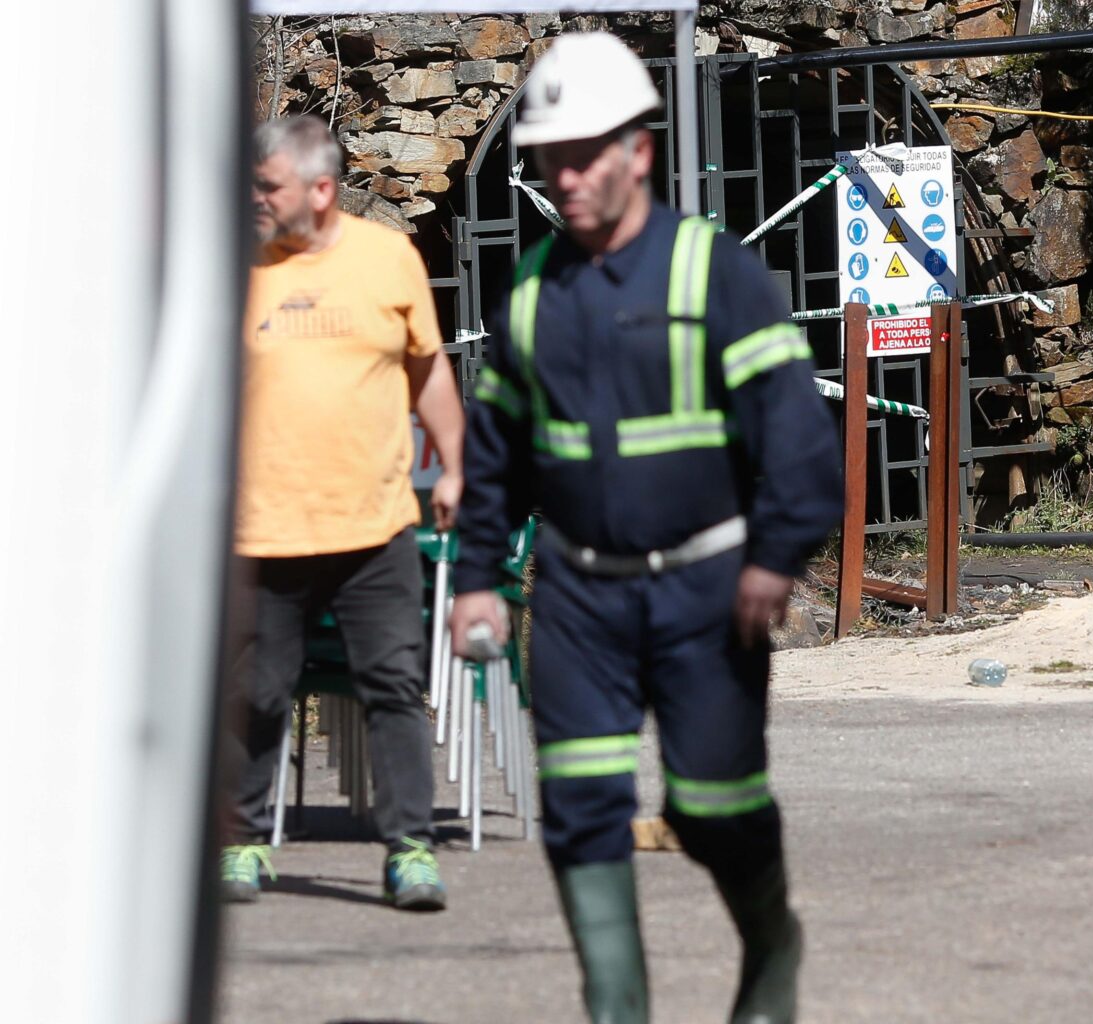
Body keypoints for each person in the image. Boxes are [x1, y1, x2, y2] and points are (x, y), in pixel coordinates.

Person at [447, 32, 842, 1024]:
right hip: (579, 596)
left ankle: (772, 945)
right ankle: (617, 1008)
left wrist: (774, 559)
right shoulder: (530, 294)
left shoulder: (716, 274)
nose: (566, 175)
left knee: (712, 808)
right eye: (549, 157)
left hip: (709, 591)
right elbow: (494, 458)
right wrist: (477, 578)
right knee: (580, 812)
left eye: (585, 154)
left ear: (641, 153)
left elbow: (799, 440)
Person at [220, 114, 464, 909]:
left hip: (373, 524)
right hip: (262, 528)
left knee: (392, 686)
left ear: (321, 191)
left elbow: (426, 372)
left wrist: (456, 464)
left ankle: (410, 851)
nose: (253, 198)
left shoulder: (388, 259)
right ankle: (243, 842)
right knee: (255, 692)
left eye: (269, 186)